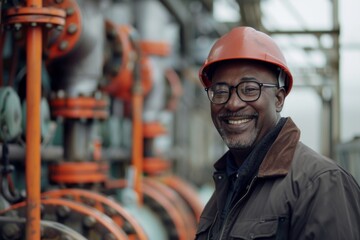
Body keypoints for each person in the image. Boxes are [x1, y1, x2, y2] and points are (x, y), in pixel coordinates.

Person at [195, 26, 360, 240]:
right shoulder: (225, 189)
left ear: (279, 99)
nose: (233, 103)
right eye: (220, 91)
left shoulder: (321, 183)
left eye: (249, 89)